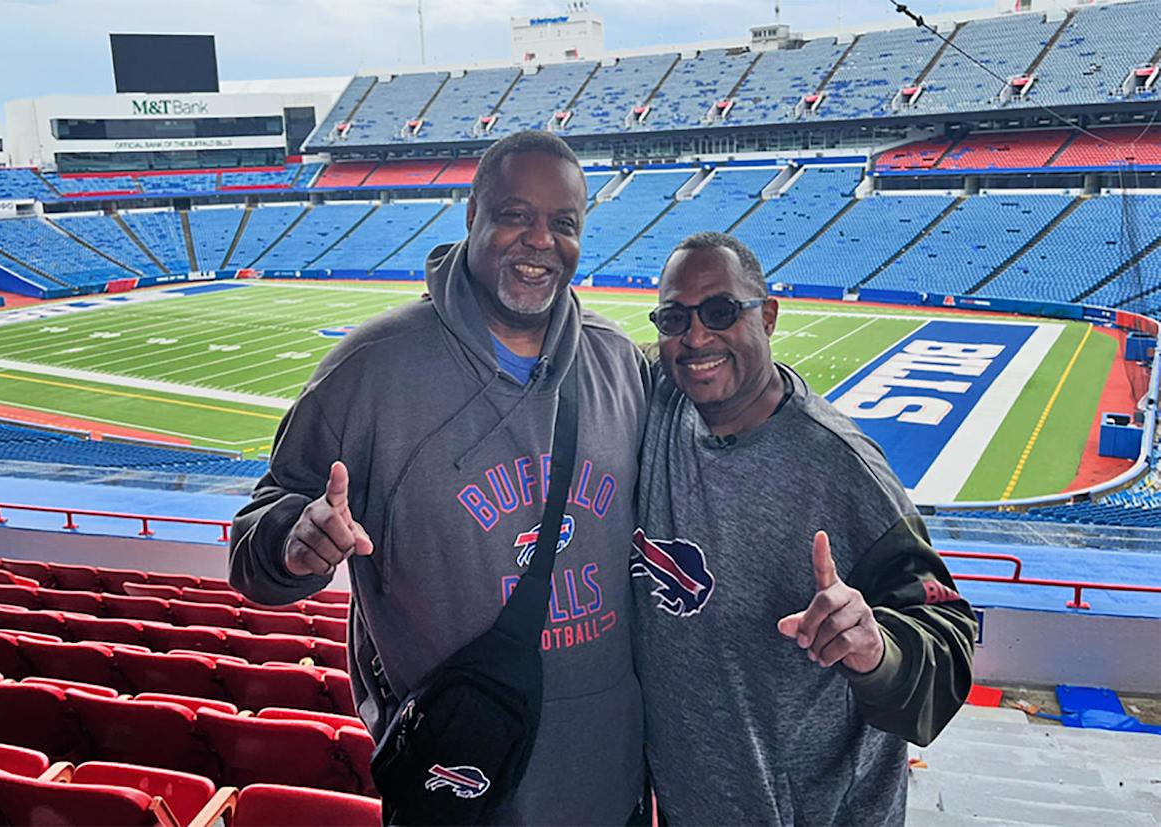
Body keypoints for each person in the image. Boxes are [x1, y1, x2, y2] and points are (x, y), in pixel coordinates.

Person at [229, 130, 650, 825]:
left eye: (563, 223)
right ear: (472, 217)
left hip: (608, 787)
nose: (539, 240)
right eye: (516, 214)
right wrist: (294, 544)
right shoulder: (372, 368)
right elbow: (255, 545)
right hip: (455, 788)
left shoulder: (616, 365)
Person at [630, 231, 976, 826]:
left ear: (766, 316)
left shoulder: (843, 469)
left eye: (719, 311)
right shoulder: (655, 404)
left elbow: (948, 641)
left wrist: (876, 650)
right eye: (673, 318)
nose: (695, 337)